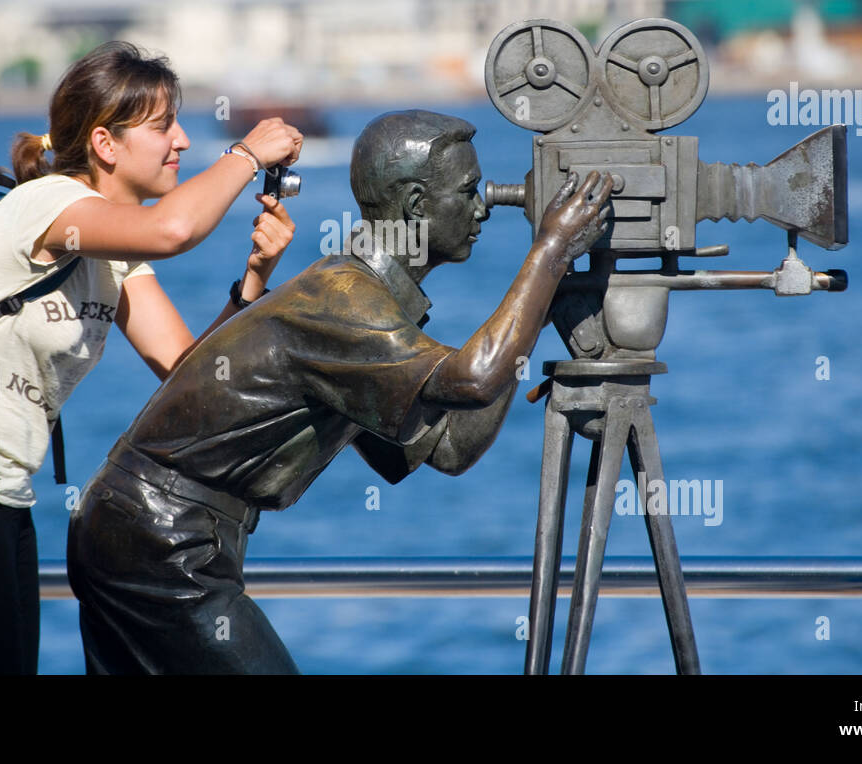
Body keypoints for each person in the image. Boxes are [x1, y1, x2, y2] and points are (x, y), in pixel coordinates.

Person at [67, 108, 612, 673]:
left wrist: (543, 305)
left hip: (149, 534)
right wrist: (549, 254)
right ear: (417, 207)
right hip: (158, 541)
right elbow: (472, 378)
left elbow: (448, 449)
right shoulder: (343, 300)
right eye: (470, 192)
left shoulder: (362, 309)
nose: (482, 210)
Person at [0, 41, 303, 674]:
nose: (182, 141)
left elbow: (189, 374)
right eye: (163, 126)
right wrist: (247, 154)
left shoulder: (114, 250)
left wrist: (253, 280)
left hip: (4, 502)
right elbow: (174, 229)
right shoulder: (45, 206)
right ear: (105, 145)